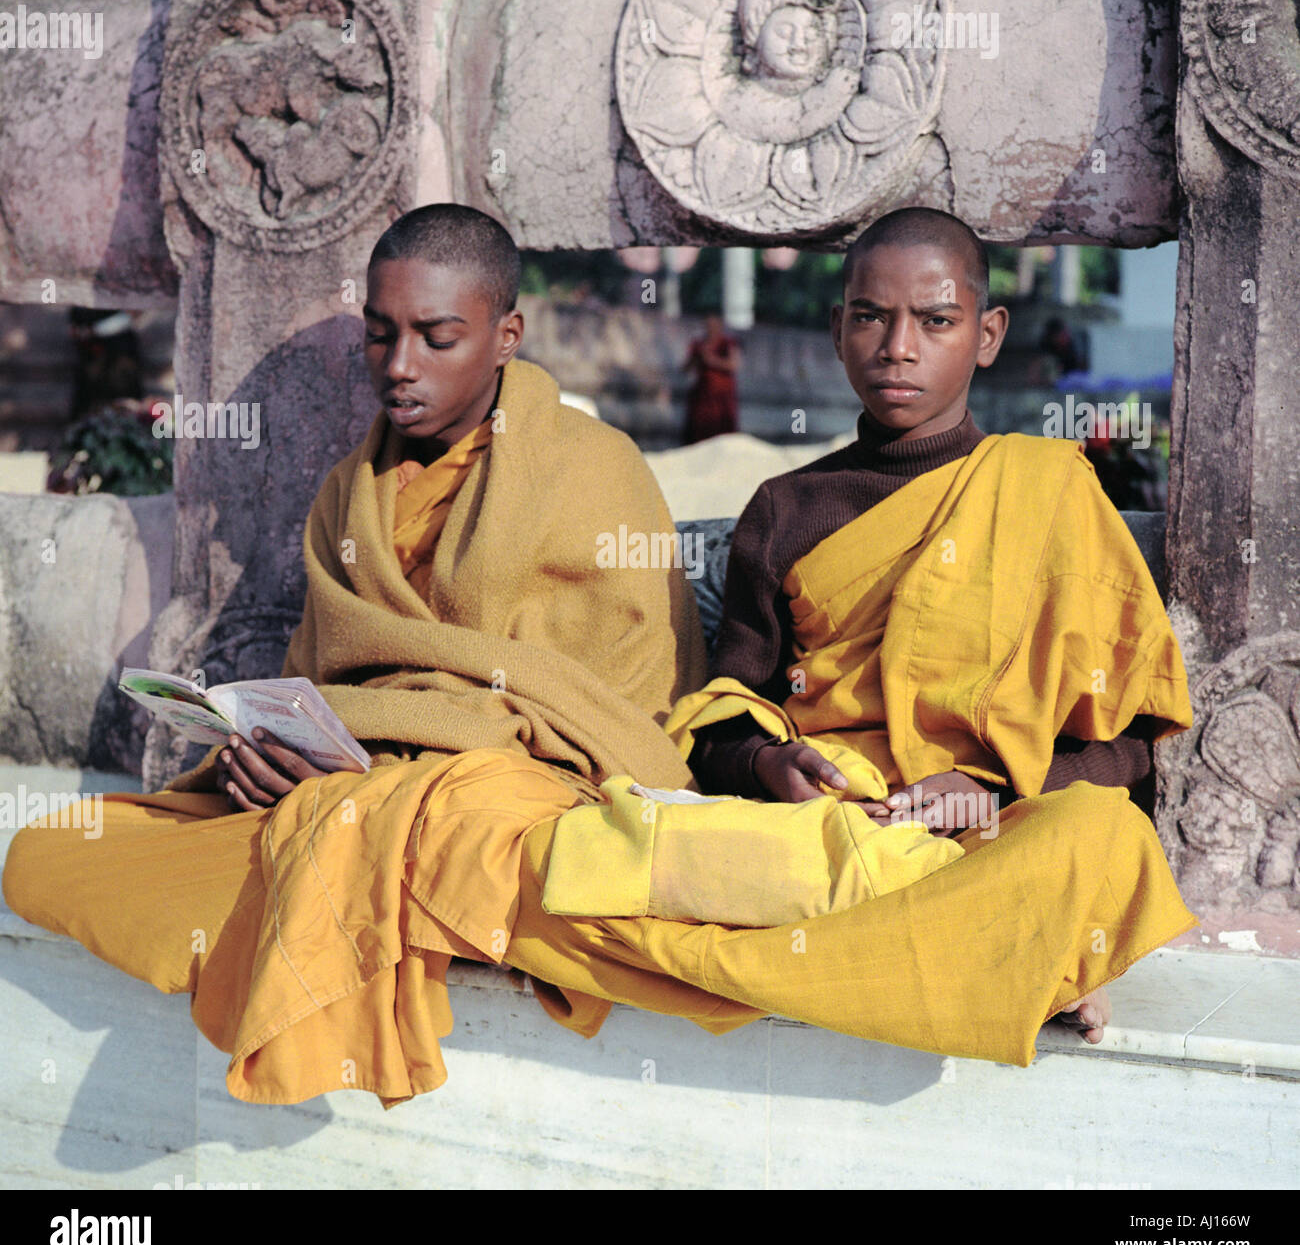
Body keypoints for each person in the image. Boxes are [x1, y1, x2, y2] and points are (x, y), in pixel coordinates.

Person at [4, 203, 707, 1106]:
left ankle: (330, 900)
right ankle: (330, 870)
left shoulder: (595, 471)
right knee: (46, 856)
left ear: (505, 337)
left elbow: (622, 713)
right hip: (351, 792)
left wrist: (403, 763)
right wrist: (267, 759)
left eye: (436, 337)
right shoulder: (352, 489)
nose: (399, 365)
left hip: (507, 798)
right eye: (380, 335)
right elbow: (324, 682)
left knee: (441, 833)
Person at [498, 207, 1196, 1062]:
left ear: (986, 334)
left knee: (1099, 832)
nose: (898, 346)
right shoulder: (785, 508)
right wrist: (768, 761)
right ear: (838, 329)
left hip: (983, 828)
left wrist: (991, 784)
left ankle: (984, 928)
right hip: (830, 826)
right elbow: (721, 721)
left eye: (935, 321)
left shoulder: (1049, 487)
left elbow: (1129, 744)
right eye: (870, 316)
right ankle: (1013, 948)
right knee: (604, 840)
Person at [682, 314, 740, 444]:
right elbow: (685, 368)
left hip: (721, 395)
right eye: (708, 325)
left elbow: (734, 364)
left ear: (720, 326)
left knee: (722, 430)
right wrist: (696, 358)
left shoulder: (727, 343)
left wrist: (712, 360)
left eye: (714, 325)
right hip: (703, 393)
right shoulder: (698, 344)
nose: (711, 328)